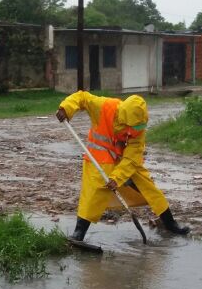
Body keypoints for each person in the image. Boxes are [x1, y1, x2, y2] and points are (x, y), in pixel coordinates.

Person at [57, 90, 190, 241]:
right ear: (125, 118)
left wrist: (117, 177)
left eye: (139, 127)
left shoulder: (138, 126)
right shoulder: (104, 106)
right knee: (94, 191)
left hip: (125, 159)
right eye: (134, 127)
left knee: (148, 186)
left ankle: (170, 224)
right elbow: (82, 97)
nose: (136, 132)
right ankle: (79, 233)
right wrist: (65, 109)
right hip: (100, 157)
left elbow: (132, 158)